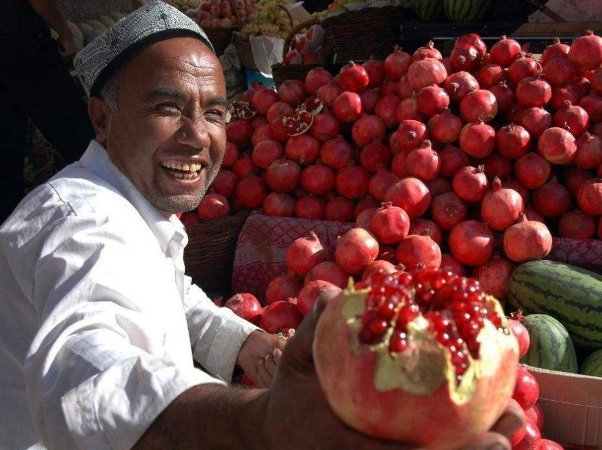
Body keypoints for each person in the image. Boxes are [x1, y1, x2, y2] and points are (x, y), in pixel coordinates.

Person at [0, 2, 525, 449]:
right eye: (167, 107)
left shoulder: (135, 211)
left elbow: (169, 292)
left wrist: (249, 342)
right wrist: (262, 423)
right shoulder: (79, 221)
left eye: (214, 112)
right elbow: (85, 377)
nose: (197, 135)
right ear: (101, 119)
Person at [0, 0, 95, 224]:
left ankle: (7, 239)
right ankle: (117, 204)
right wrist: (64, 32)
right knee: (81, 139)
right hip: (17, 35)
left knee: (5, 154)